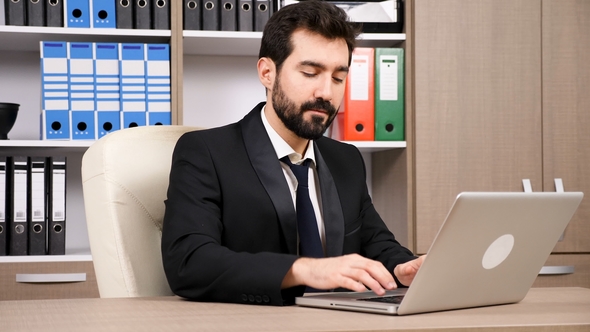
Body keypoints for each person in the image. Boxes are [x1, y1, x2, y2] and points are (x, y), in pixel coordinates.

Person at [161, 0, 425, 306]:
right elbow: (189, 262)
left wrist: (404, 266)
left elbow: (376, 242)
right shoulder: (205, 153)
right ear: (267, 73)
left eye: (338, 78)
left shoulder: (347, 160)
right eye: (311, 73)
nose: (326, 92)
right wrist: (304, 270)